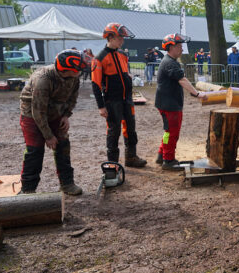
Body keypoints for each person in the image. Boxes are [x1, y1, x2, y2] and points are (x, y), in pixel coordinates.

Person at [18, 50, 86, 195]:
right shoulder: (43, 79)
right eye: (78, 68)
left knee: (63, 146)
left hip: (56, 112)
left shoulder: (74, 78)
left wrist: (66, 115)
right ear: (67, 69)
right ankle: (28, 189)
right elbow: (38, 111)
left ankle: (67, 184)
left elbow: (72, 98)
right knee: (35, 151)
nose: (80, 71)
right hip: (32, 114)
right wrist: (48, 136)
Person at [91, 22, 147, 167]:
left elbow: (125, 73)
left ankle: (131, 157)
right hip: (112, 100)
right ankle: (112, 164)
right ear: (109, 37)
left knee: (131, 130)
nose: (122, 40)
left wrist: (130, 79)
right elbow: (96, 84)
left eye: (123, 38)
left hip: (127, 99)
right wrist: (101, 106)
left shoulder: (122, 55)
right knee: (113, 133)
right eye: (119, 37)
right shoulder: (99, 58)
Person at [154, 34, 207, 170]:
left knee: (168, 132)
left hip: (168, 103)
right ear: (171, 47)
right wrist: (197, 93)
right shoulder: (170, 63)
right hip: (169, 104)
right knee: (172, 133)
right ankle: (168, 160)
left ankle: (162, 154)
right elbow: (182, 80)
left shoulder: (170, 61)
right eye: (179, 46)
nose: (182, 49)